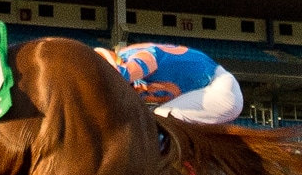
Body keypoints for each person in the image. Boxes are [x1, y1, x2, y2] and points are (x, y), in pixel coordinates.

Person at [94, 43, 243, 125]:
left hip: (218, 88)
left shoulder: (136, 55)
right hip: (208, 91)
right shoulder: (130, 65)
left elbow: (134, 69)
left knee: (161, 117)